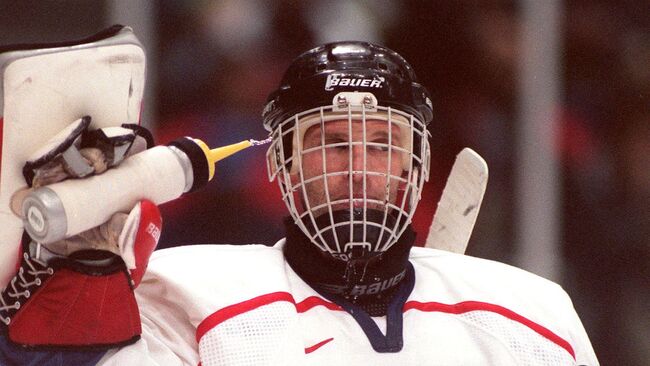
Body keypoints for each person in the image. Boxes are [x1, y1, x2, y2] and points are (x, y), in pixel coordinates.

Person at [1, 41, 598, 365]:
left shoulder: (528, 317)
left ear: (416, 165)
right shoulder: (186, 298)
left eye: (383, 144)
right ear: (282, 164)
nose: (358, 168)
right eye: (333, 143)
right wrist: (64, 301)